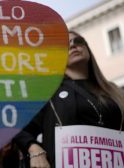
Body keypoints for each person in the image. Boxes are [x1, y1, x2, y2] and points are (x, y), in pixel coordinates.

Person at [14, 31, 124, 168]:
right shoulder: (48, 92)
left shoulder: (114, 91)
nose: (73, 46)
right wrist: (35, 150)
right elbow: (17, 126)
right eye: (65, 45)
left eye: (78, 41)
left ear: (87, 48)